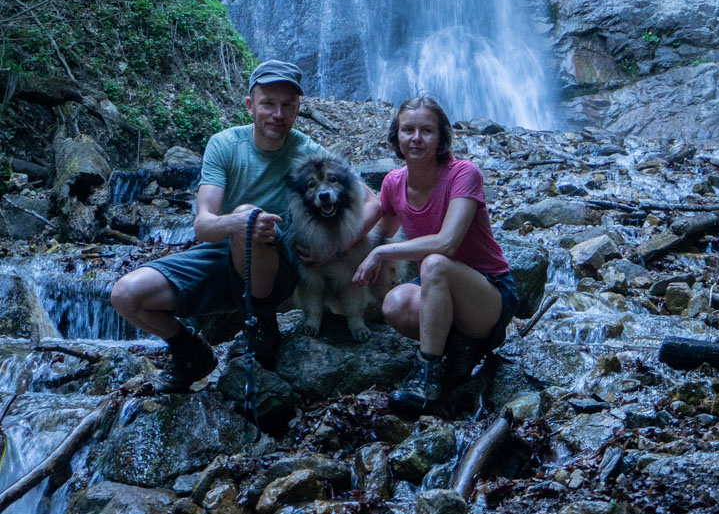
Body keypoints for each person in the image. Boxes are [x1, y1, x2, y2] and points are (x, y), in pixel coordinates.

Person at [110, 60, 380, 392]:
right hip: (219, 256)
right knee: (125, 295)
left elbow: (374, 203)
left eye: (287, 106)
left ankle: (265, 328)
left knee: (252, 218)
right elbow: (204, 226)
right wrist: (237, 222)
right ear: (250, 106)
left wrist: (335, 249)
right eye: (268, 104)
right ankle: (190, 352)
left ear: (297, 110)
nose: (277, 114)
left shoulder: (309, 152)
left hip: (274, 269)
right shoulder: (225, 145)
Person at [353, 95, 519, 414]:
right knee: (394, 303)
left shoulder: (463, 174)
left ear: (441, 137)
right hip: (438, 289)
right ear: (396, 136)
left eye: (426, 131)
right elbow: (382, 230)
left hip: (490, 294)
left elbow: (446, 244)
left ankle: (427, 377)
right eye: (408, 130)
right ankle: (457, 349)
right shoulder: (393, 182)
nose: (416, 139)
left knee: (435, 263)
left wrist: (382, 254)